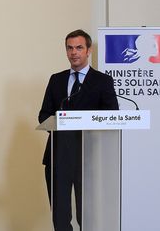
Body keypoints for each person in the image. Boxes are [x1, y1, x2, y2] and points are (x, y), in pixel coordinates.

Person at [38, 29, 119, 231]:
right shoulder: (56, 80)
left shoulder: (102, 81)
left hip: (90, 158)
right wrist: (61, 122)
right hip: (59, 156)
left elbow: (112, 116)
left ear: (88, 50)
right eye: (70, 48)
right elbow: (43, 115)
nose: (74, 52)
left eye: (79, 48)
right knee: (60, 216)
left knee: (89, 215)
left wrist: (81, 121)